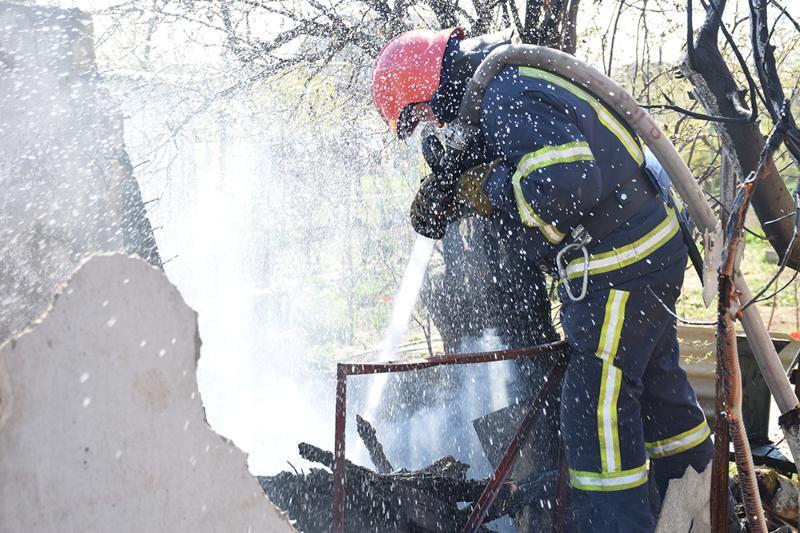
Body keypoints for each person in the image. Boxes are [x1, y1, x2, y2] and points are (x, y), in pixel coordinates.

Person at [371, 28, 714, 532]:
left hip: (618, 266)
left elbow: (565, 186)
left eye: (423, 113)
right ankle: (706, 513)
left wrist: (485, 188)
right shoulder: (511, 84)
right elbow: (538, 162)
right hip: (644, 251)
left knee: (594, 412)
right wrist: (460, 178)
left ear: (433, 85)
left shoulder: (505, 93)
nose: (434, 125)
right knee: (663, 401)